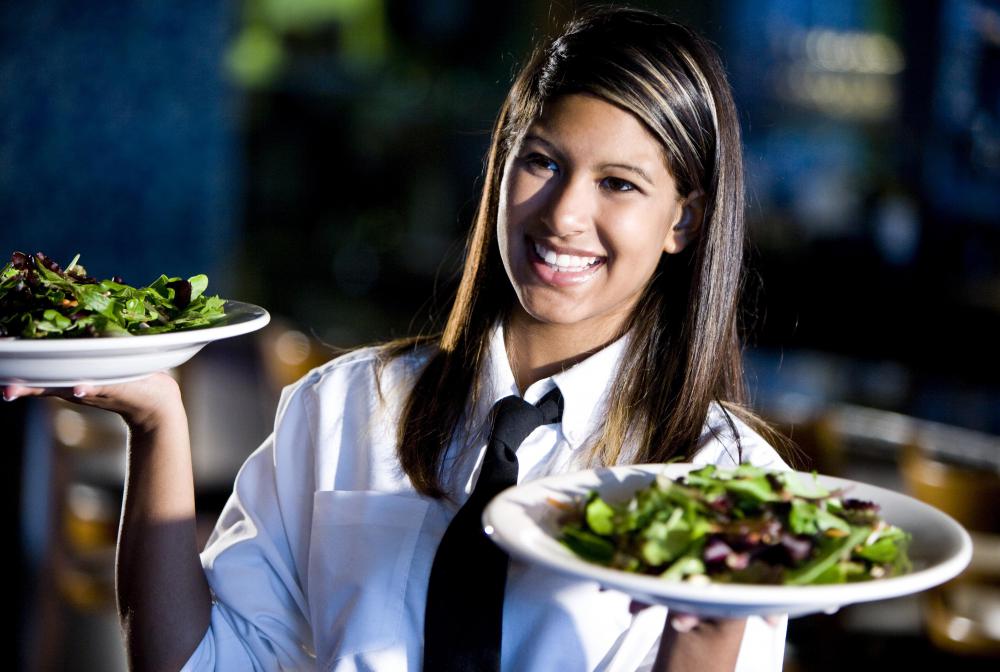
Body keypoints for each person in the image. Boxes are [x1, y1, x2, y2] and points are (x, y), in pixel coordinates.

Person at [5, 6, 790, 671]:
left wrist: (707, 643)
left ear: (684, 219)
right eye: (542, 162)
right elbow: (202, 661)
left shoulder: (728, 485)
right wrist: (157, 419)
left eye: (618, 183)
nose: (562, 215)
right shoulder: (345, 406)